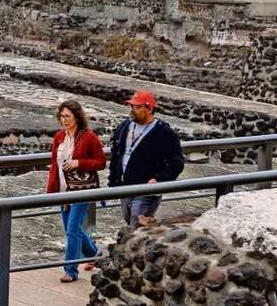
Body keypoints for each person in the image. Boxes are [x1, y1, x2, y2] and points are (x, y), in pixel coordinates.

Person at [46, 100, 107, 283]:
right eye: (62, 116)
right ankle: (96, 255)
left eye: (68, 116)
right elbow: (54, 165)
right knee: (74, 230)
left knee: (73, 230)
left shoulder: (89, 137)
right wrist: (52, 190)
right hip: (64, 190)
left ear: (77, 117)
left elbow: (101, 162)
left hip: (83, 190)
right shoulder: (59, 137)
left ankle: (71, 270)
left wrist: (78, 163)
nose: (64, 120)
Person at [107, 90, 185, 229]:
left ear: (149, 109)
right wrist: (113, 180)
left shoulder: (164, 133)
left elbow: (177, 163)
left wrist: (159, 179)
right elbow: (116, 154)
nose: (132, 110)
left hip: (146, 189)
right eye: (131, 106)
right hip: (125, 186)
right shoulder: (124, 126)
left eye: (137, 107)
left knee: (137, 225)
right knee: (129, 221)